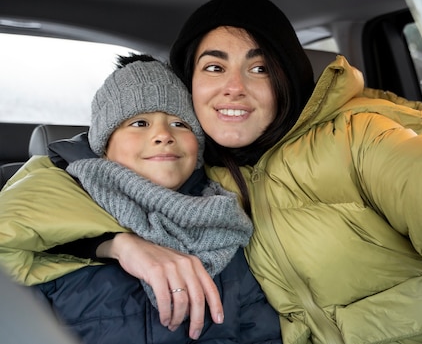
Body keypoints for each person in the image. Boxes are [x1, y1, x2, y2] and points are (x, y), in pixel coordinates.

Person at [5, 0, 422, 343]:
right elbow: (41, 211)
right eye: (213, 66)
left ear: (285, 78)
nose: (235, 88)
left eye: (259, 65)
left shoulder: (357, 135)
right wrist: (117, 242)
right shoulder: (198, 176)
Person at [0, 54, 282, 344]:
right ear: (104, 144)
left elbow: (260, 332)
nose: (163, 135)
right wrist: (113, 244)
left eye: (180, 124)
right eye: (139, 123)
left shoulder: (223, 223)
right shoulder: (50, 201)